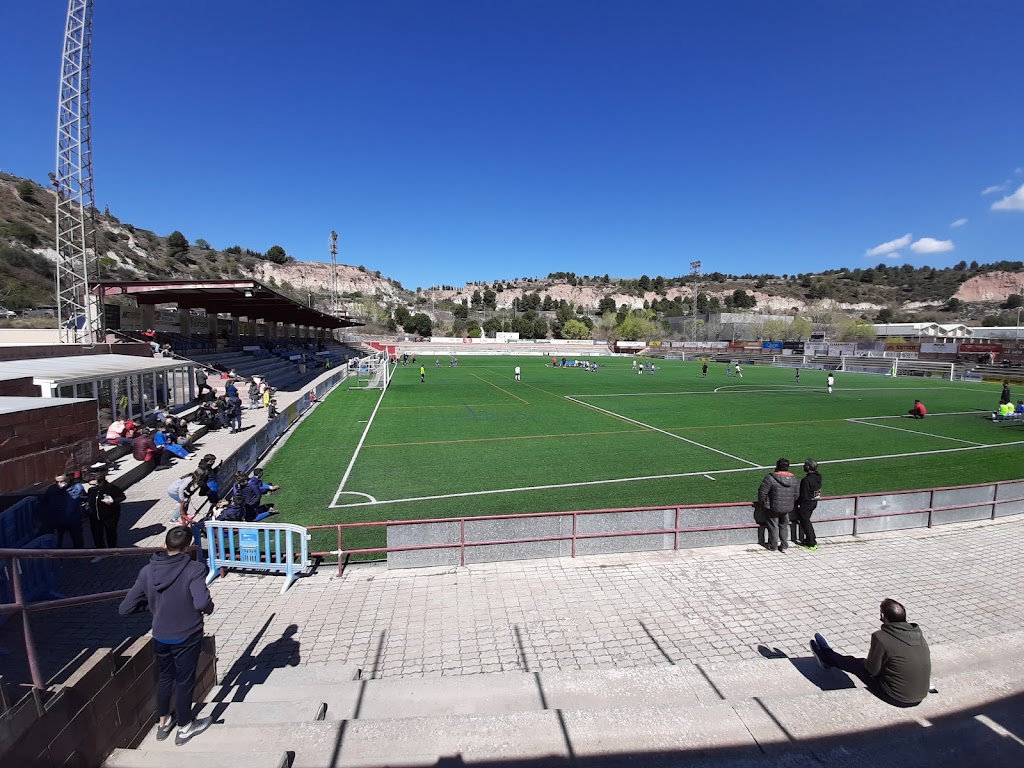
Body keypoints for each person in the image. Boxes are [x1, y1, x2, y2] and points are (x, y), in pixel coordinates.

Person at [118, 526, 215, 745]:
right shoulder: (195, 568)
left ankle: (163, 723)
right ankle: (185, 727)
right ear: (189, 547)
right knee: (184, 681)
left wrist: (154, 607)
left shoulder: (146, 571)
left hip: (160, 635)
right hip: (187, 634)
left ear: (165, 545)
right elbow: (201, 602)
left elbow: (125, 608)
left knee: (165, 678)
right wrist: (209, 608)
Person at [810, 598, 932, 708]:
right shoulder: (918, 635)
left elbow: (871, 670)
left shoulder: (881, 637)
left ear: (883, 615)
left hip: (897, 697)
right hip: (920, 695)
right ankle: (829, 658)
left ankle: (827, 656)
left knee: (856, 664)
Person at [757, 458, 798, 552]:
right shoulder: (793, 479)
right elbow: (796, 494)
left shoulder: (771, 478)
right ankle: (784, 545)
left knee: (773, 526)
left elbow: (762, 492)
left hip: (773, 507)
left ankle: (773, 545)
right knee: (784, 525)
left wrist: (762, 503)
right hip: (787, 507)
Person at [40, 473, 86, 548]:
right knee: (59, 541)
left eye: (62, 481)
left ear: (68, 479)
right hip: (58, 520)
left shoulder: (77, 488)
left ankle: (79, 556)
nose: (59, 484)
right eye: (57, 482)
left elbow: (85, 499)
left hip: (74, 520)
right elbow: (45, 504)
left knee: (77, 540)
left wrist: (84, 513)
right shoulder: (52, 490)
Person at [85, 472, 126, 553]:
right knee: (97, 534)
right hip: (94, 516)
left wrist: (113, 501)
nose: (92, 486)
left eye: (94, 483)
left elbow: (122, 497)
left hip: (109, 516)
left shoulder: (111, 488)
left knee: (110, 532)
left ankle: (112, 549)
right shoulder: (91, 490)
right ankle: (101, 551)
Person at [794, 459, 822, 550]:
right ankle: (810, 540)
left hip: (806, 504)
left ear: (808, 467)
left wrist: (797, 503)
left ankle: (811, 542)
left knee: (805, 522)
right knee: (806, 521)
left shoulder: (806, 480)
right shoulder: (818, 478)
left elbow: (803, 495)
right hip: (814, 502)